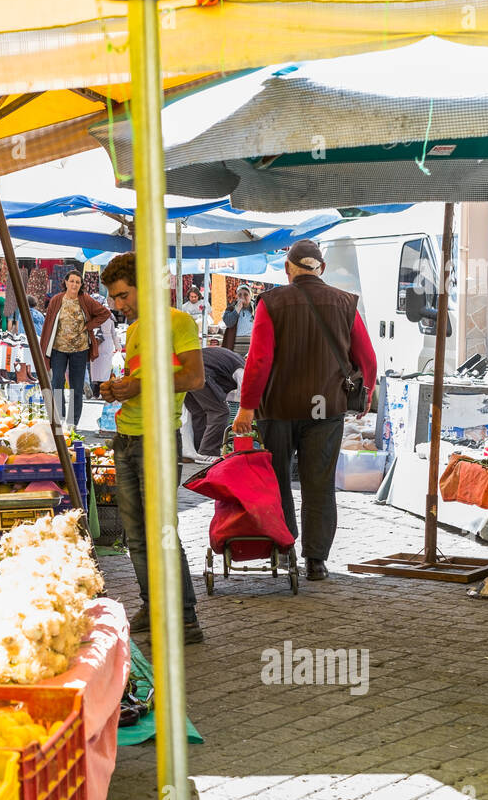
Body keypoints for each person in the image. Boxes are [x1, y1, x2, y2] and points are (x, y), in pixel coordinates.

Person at [233, 239, 377, 582]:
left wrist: (246, 408)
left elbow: (259, 361)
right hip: (325, 409)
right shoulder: (345, 302)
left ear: (288, 269)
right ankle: (316, 561)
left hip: (278, 408)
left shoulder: (271, 301)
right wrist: (366, 392)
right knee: (319, 484)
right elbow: (367, 357)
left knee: (279, 480)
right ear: (321, 269)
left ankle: (285, 551)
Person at [99, 252, 206, 644]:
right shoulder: (134, 329)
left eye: (123, 295)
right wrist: (118, 388)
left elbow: (194, 377)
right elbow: (140, 378)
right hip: (126, 437)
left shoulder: (178, 321)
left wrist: (139, 386)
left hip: (158, 440)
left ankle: (186, 618)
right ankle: (153, 605)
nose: (117, 305)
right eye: (113, 298)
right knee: (136, 536)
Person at [39, 270, 111, 429]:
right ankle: (59, 419)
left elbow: (105, 313)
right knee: (57, 381)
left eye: (78, 282)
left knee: (76, 386)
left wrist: (89, 325)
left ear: (81, 285)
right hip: (59, 348)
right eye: (72, 281)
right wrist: (43, 347)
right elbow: (48, 323)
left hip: (80, 349)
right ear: (65, 282)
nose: (74, 284)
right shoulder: (57, 300)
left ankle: (72, 422)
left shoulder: (85, 299)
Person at [185, 346, 244, 462]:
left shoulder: (231, 361)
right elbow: (245, 395)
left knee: (199, 413)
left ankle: (199, 453)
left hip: (185, 371)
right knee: (220, 412)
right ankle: (208, 452)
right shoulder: (243, 369)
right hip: (200, 371)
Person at [88, 294, 119, 399]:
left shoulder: (92, 315)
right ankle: (102, 393)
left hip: (95, 343)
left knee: (96, 370)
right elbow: (113, 332)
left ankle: (96, 393)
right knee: (104, 370)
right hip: (107, 344)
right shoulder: (109, 315)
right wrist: (117, 346)